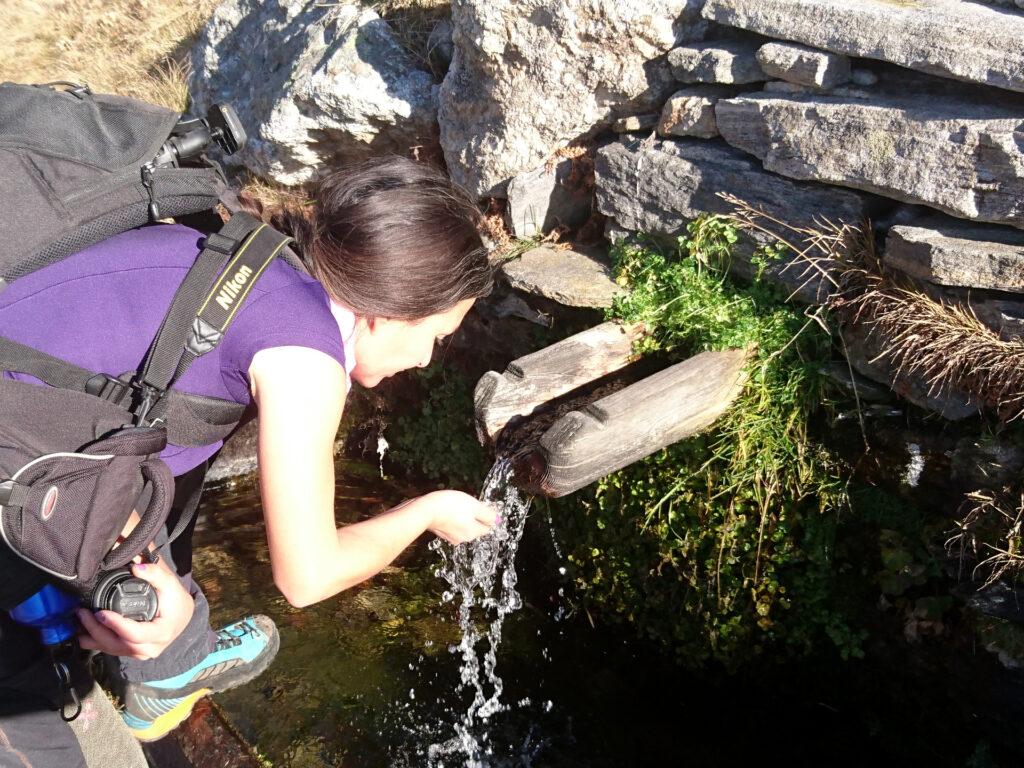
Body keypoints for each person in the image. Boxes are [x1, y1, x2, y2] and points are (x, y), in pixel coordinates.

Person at [0, 155, 499, 760]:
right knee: (38, 735)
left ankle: (167, 668)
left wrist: (133, 565)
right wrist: (426, 511)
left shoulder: (254, 253)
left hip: (25, 429)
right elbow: (307, 577)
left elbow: (109, 415)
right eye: (435, 336)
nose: (425, 359)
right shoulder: (303, 360)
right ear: (389, 309)